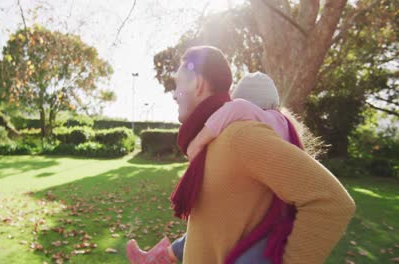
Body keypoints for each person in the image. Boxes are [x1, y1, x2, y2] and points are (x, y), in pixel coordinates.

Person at [128, 46, 356, 264]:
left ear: (197, 84)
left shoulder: (241, 136)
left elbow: (331, 201)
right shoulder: (225, 138)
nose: (174, 95)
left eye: (176, 85)